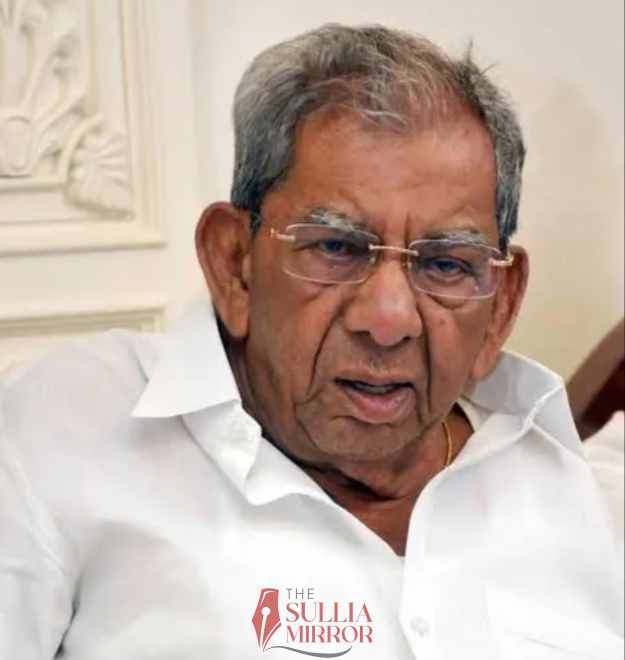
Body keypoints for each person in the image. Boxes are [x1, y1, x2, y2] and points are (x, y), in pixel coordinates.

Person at [0, 24, 622, 660]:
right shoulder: (62, 432)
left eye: (444, 265)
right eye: (336, 248)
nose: (389, 320)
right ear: (234, 262)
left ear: (500, 308)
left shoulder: (568, 493)